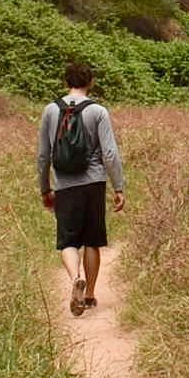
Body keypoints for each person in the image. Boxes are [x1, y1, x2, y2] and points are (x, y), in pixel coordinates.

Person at [38, 59, 123, 315]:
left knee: (68, 241)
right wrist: (118, 187)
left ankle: (75, 277)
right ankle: (89, 294)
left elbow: (43, 155)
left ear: (66, 82)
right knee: (92, 241)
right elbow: (110, 153)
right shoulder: (98, 111)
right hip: (94, 182)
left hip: (64, 183)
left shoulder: (50, 110)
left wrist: (45, 188)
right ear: (90, 82)